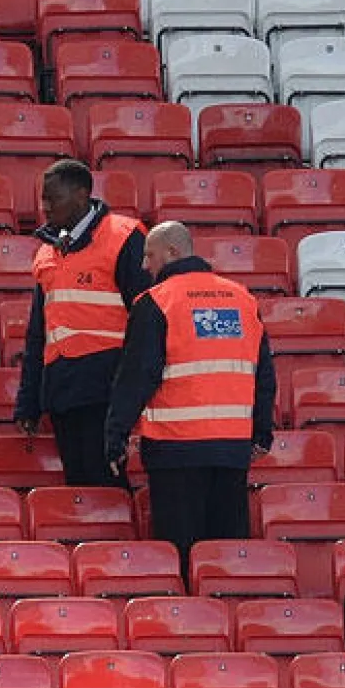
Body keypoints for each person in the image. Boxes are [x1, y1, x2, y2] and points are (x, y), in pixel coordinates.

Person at [104, 221, 276, 575]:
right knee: (227, 559)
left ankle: (189, 626)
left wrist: (115, 436)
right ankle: (228, 623)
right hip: (231, 451)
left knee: (183, 558)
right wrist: (261, 432)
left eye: (149, 255)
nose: (143, 266)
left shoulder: (156, 302)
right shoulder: (242, 299)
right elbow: (263, 375)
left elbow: (136, 377)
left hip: (176, 452)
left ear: (172, 252)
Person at [15, 159, 152, 487]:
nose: (46, 208)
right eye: (43, 200)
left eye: (54, 199)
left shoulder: (123, 237)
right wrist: (29, 400)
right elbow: (39, 331)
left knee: (108, 486)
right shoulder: (47, 251)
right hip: (63, 387)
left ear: (81, 195)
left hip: (108, 385)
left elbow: (148, 317)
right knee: (79, 487)